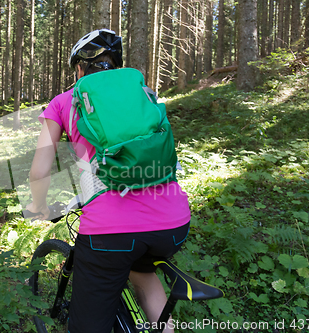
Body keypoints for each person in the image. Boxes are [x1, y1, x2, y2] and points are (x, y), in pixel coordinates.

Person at [26, 29, 191, 333]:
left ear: (79, 68)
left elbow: (40, 171)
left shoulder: (64, 101)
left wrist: (38, 205)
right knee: (142, 271)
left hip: (112, 230)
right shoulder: (144, 96)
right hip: (174, 221)